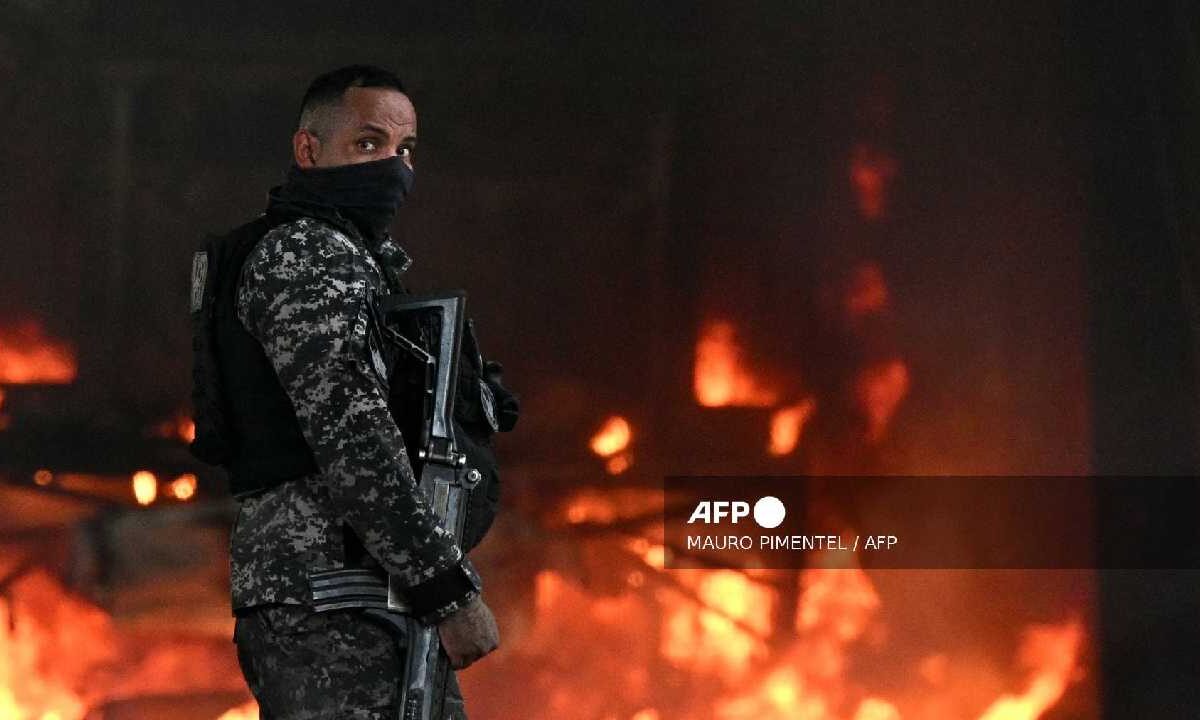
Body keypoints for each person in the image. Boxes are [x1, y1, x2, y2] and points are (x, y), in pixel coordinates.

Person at [198, 65, 508, 719]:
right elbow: (356, 443)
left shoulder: (343, 255)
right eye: (368, 144)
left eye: (405, 150)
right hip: (334, 597)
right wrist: (448, 593)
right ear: (309, 151)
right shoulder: (308, 256)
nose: (393, 167)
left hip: (351, 593)